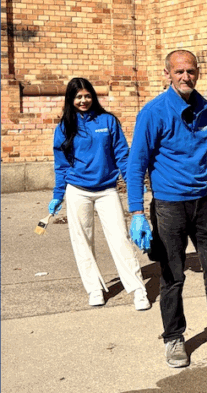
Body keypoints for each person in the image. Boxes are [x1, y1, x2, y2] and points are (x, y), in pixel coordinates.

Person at [127, 50, 207, 368]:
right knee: (172, 277)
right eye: (179, 71)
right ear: (167, 74)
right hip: (169, 205)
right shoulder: (153, 113)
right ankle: (173, 338)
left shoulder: (205, 108)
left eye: (191, 71)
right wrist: (136, 213)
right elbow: (136, 164)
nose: (186, 77)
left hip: (203, 203)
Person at [48, 78, 150, 311]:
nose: (83, 101)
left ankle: (138, 289)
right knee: (82, 241)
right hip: (77, 191)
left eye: (87, 96)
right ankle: (94, 288)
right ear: (71, 99)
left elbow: (122, 155)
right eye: (78, 97)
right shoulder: (64, 127)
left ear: (93, 96)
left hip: (106, 190)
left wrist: (133, 183)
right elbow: (61, 165)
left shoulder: (107, 121)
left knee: (121, 238)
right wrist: (57, 194)